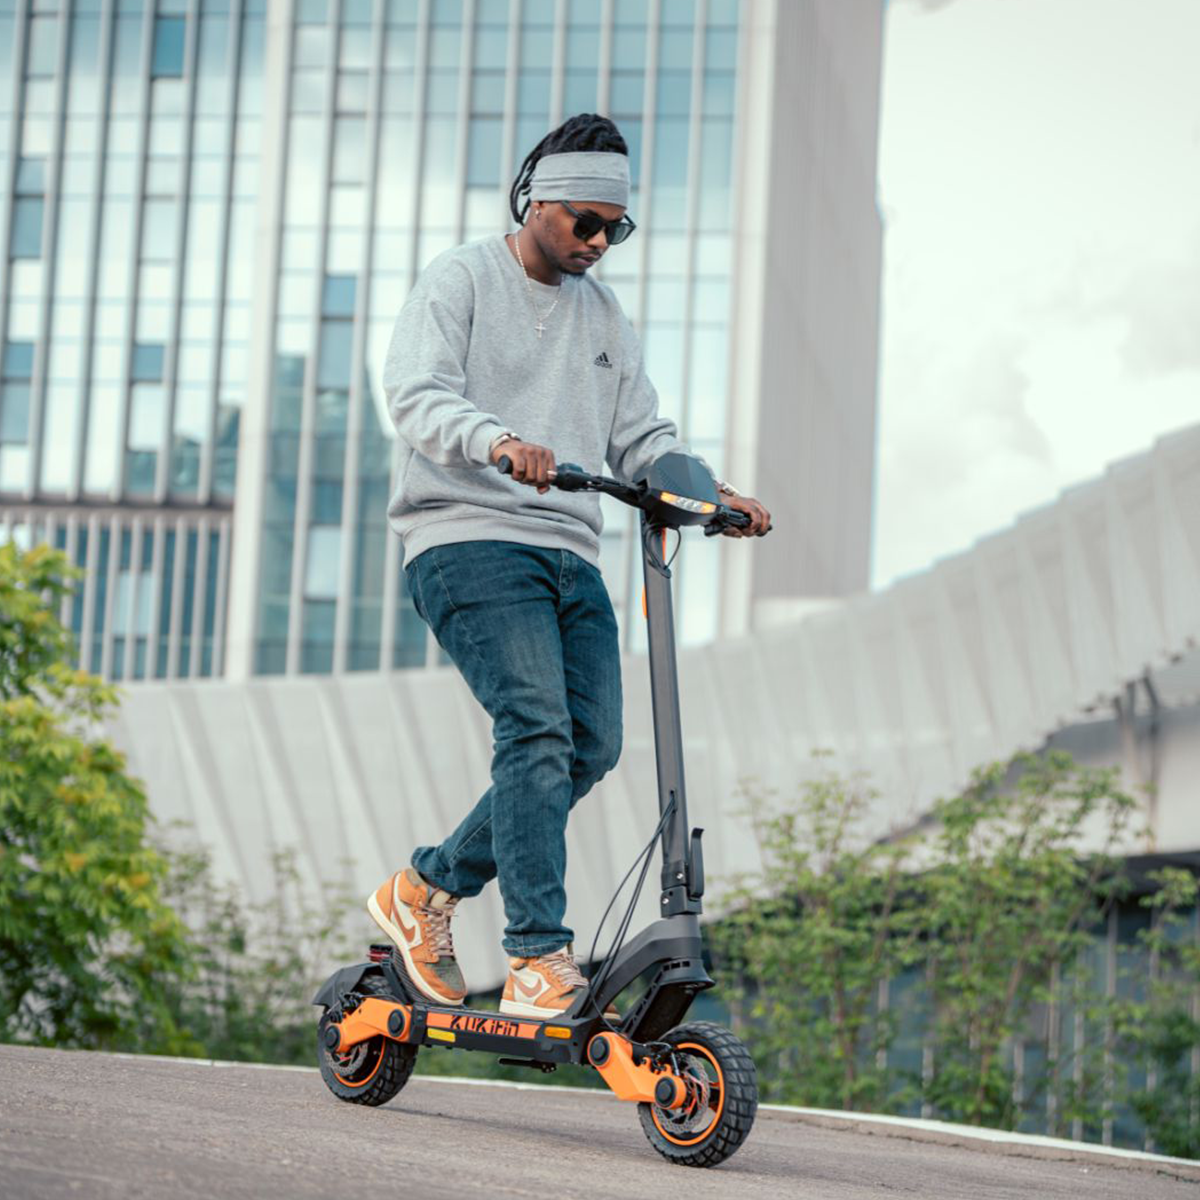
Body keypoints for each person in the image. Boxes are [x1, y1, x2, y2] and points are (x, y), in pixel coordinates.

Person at [369, 113, 771, 1019]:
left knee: (591, 743)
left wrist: (710, 493)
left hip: (570, 551)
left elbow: (641, 434)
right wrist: (498, 440)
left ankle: (427, 890)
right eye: (585, 223)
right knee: (537, 728)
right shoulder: (462, 278)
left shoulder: (604, 316)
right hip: (468, 536)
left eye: (614, 231)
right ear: (535, 201)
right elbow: (416, 393)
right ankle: (534, 957)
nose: (597, 243)